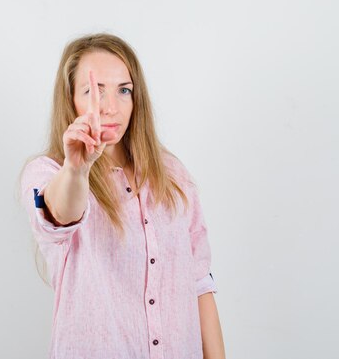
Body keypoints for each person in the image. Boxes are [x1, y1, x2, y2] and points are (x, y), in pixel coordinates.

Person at [19, 33, 225, 359]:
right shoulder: (47, 173)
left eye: (123, 90)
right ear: (71, 99)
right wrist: (77, 168)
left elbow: (200, 282)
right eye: (94, 91)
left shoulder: (173, 176)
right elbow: (59, 215)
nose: (111, 107)